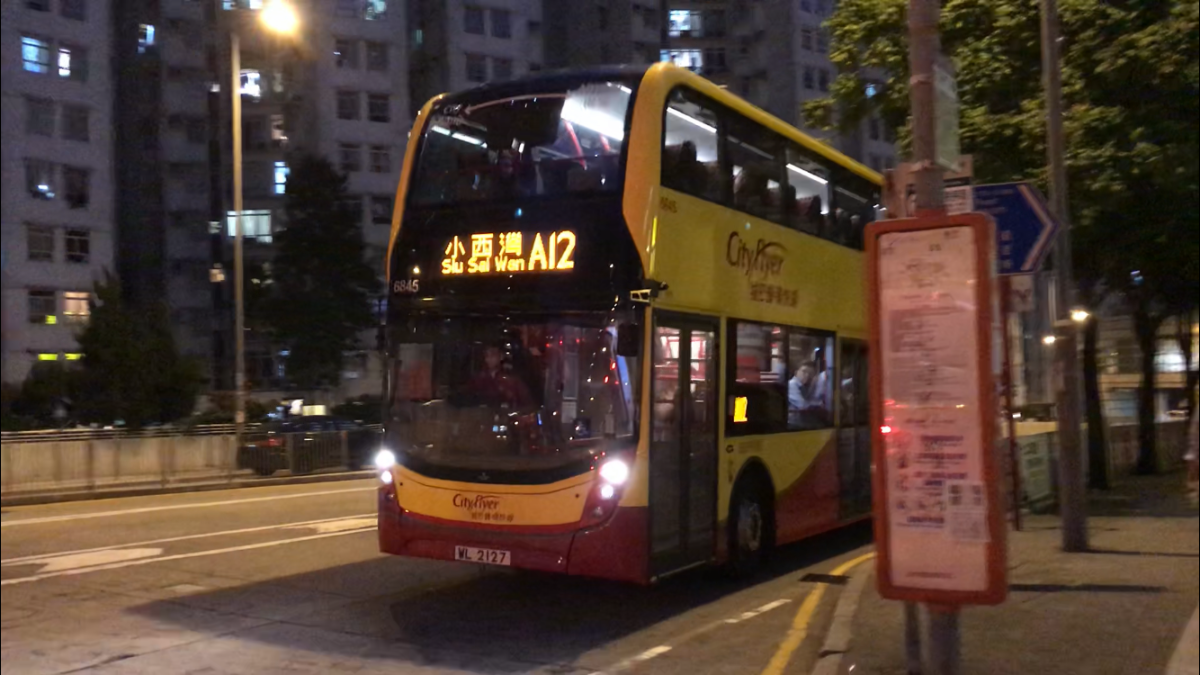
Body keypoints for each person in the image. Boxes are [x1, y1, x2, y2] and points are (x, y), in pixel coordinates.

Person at [468, 345, 532, 408]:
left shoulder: (512, 379)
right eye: (487, 356)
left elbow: (527, 403)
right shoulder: (479, 378)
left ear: (501, 357)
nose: (489, 359)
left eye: (493, 355)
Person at [788, 361, 828, 428]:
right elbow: (803, 405)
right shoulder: (791, 385)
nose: (807, 375)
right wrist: (819, 404)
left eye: (810, 373)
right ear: (796, 372)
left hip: (804, 423)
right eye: (804, 371)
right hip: (794, 424)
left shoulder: (806, 386)